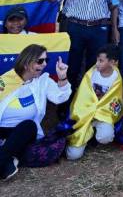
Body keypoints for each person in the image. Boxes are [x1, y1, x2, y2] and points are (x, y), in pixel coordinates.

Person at [43, 0, 118, 90]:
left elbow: (113, 6)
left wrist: (115, 27)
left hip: (99, 30)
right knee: (72, 66)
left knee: (95, 68)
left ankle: (86, 103)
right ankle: (65, 103)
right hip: (75, 28)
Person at [0, 44, 71, 180]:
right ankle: (6, 162)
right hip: (2, 130)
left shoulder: (43, 82)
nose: (44, 64)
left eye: (46, 60)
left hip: (23, 132)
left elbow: (60, 97)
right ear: (27, 63)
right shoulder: (6, 81)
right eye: (40, 61)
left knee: (29, 125)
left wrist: (62, 78)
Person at [66, 44, 123, 160]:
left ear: (112, 62)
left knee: (105, 137)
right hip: (85, 115)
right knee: (73, 155)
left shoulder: (116, 78)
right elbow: (82, 96)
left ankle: (93, 134)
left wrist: (99, 112)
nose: (97, 63)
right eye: (97, 60)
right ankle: (86, 135)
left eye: (101, 61)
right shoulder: (91, 74)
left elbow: (115, 101)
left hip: (103, 115)